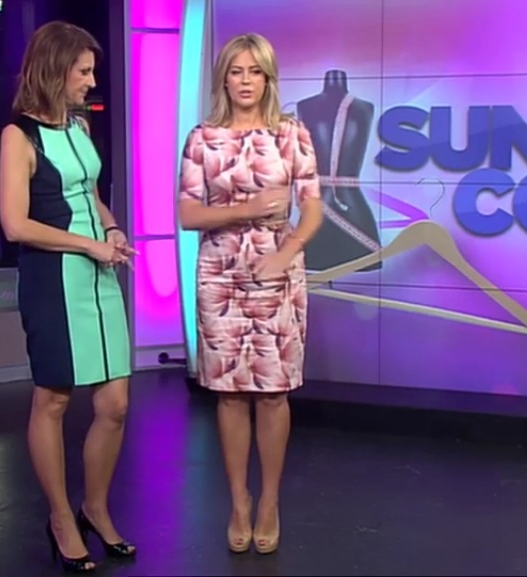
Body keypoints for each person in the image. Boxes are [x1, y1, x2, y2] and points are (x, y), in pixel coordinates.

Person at [176, 33, 324, 555]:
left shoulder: (291, 133)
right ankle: (239, 500)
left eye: (254, 71)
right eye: (236, 71)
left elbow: (312, 208)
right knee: (230, 393)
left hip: (278, 272)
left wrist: (288, 251)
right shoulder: (202, 137)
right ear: (224, 78)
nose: (245, 81)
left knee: (273, 392)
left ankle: (269, 502)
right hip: (220, 275)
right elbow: (187, 214)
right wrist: (246, 209)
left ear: (268, 78)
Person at [0, 21, 136, 573]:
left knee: (115, 404)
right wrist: (87, 244)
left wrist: (112, 229)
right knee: (53, 401)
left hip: (98, 274)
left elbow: (89, 194)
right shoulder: (19, 136)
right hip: (53, 280)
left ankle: (94, 508)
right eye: (83, 71)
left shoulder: (79, 125)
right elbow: (15, 224)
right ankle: (60, 519)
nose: (91, 81)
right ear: (56, 70)